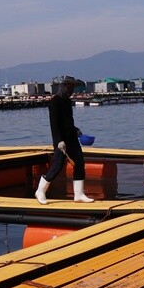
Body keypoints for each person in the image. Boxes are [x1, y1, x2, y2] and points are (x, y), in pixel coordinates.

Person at [35, 76, 93, 204]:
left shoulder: (67, 101)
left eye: (73, 87)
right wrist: (58, 141)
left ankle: (79, 194)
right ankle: (40, 190)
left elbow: (68, 122)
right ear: (63, 87)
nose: (72, 90)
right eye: (70, 87)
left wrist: (76, 130)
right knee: (57, 166)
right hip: (61, 141)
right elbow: (54, 124)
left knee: (79, 164)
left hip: (72, 138)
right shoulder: (54, 102)